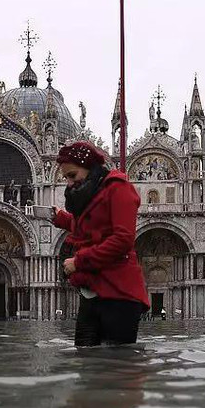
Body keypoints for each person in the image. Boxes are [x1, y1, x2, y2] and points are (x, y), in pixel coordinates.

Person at [51, 140, 149, 347]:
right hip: (93, 288)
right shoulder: (91, 193)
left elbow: (122, 240)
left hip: (119, 292)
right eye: (66, 177)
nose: (69, 183)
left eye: (73, 175)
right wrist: (61, 218)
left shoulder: (119, 189)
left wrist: (79, 262)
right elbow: (92, 227)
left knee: (117, 363)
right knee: (85, 356)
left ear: (89, 168)